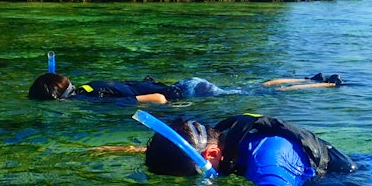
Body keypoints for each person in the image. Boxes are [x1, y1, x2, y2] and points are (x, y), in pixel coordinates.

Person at [92, 114, 355, 186]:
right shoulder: (221, 141)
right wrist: (130, 149)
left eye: (193, 175)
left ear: (212, 156)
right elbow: (186, 147)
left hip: (362, 183)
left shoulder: (268, 158)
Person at [28, 72, 230, 104]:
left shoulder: (93, 98)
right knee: (238, 91)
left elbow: (158, 98)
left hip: (189, 91)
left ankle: (263, 86)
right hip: (187, 84)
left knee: (239, 93)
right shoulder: (87, 88)